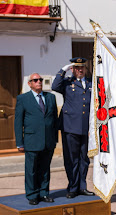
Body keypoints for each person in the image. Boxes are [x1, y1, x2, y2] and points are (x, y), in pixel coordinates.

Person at [52, 57, 95, 198]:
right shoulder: (67, 83)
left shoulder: (90, 83)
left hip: (85, 129)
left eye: (82, 67)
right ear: (73, 69)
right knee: (71, 159)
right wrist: (63, 69)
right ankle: (72, 187)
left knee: (84, 159)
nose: (80, 70)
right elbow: (54, 86)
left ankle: (82, 186)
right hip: (70, 127)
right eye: (77, 68)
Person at [14, 73, 58, 205]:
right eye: (35, 80)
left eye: (40, 79)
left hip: (48, 141)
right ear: (30, 83)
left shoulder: (50, 97)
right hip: (31, 140)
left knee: (45, 169)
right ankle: (32, 194)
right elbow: (18, 122)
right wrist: (19, 143)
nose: (39, 81)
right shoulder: (23, 99)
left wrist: (55, 139)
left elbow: (54, 119)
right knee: (31, 169)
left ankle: (44, 193)